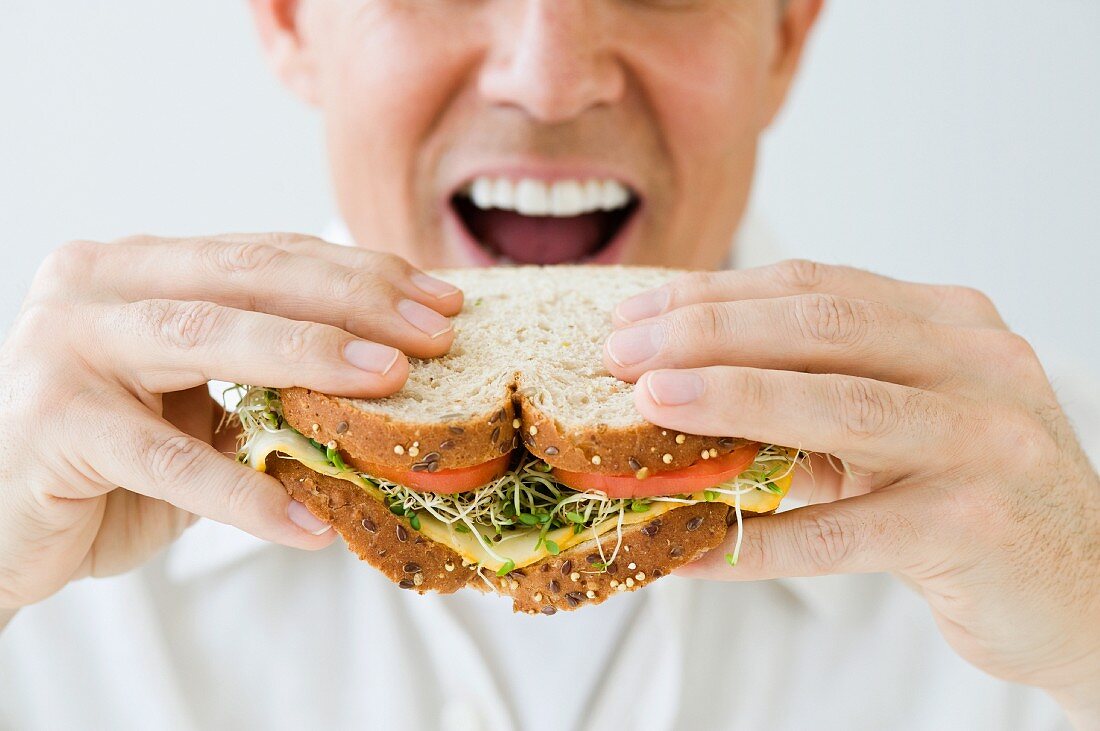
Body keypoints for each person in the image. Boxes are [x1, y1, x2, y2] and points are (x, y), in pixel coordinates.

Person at [1, 1, 1097, 729]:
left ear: (784, 35)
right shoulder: (52, 509)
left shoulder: (1038, 504)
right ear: (292, 21)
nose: (548, 77)